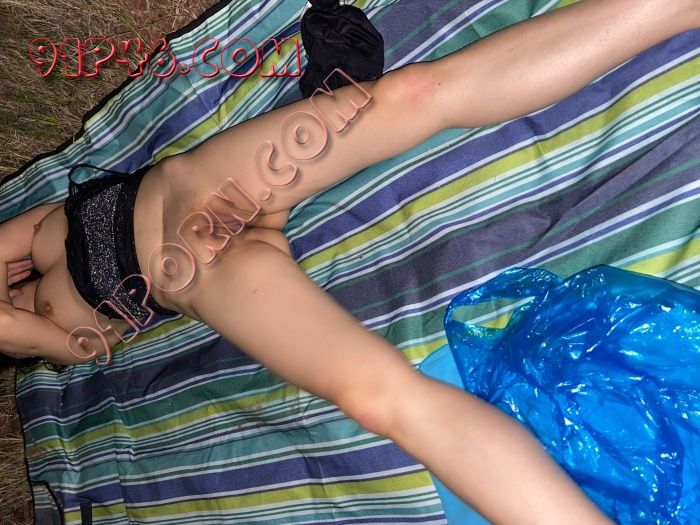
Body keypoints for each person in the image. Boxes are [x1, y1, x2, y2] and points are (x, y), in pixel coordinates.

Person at [1, 0, 698, 522]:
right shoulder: (53, 342)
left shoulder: (33, 234)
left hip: (213, 181)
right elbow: (46, 336)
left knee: (419, 96)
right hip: (215, 274)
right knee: (385, 400)